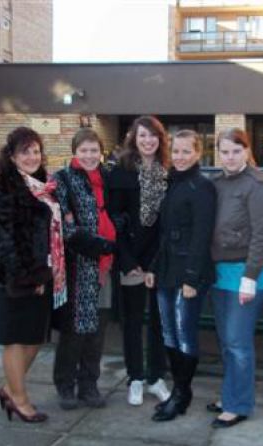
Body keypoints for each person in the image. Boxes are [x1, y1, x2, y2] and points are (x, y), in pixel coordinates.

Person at [0, 127, 66, 423]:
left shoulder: (42, 185)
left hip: (43, 276)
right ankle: (19, 399)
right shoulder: (4, 190)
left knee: (34, 338)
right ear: (12, 156)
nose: (32, 157)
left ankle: (9, 390)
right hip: (15, 279)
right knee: (16, 340)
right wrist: (30, 278)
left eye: (36, 151)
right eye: (25, 152)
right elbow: (7, 242)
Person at [145, 130, 216, 422]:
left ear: (198, 153)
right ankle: (178, 391)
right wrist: (153, 267)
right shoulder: (172, 182)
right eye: (176, 151)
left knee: (184, 334)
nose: (180, 157)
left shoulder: (203, 186)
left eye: (187, 151)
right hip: (166, 269)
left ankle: (181, 393)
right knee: (169, 332)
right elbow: (164, 233)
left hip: (188, 271)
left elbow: (202, 235)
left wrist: (191, 278)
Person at [209, 128, 263, 428]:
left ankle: (239, 404)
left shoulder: (257, 185)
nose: (230, 157)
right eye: (225, 152)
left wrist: (250, 277)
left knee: (238, 343)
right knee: (226, 342)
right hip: (219, 274)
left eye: (236, 151)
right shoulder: (217, 183)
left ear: (247, 151)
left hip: (246, 275)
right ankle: (230, 394)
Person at [51, 128, 116, 410]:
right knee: (74, 330)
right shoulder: (62, 179)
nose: (89, 156)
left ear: (101, 152)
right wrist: (99, 245)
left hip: (105, 267)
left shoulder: (108, 178)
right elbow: (64, 226)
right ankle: (65, 385)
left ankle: (89, 385)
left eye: (94, 150)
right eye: (84, 150)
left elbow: (118, 212)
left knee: (97, 329)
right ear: (75, 152)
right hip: (78, 267)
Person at [108, 116, 170, 406]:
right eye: (142, 135)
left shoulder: (167, 172)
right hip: (129, 259)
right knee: (132, 321)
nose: (148, 140)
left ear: (160, 139)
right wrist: (128, 260)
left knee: (158, 321)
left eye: (153, 135)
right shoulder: (121, 172)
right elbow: (114, 222)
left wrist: (154, 264)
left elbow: (167, 224)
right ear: (133, 138)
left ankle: (156, 377)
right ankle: (135, 377)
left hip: (159, 259)